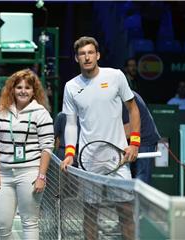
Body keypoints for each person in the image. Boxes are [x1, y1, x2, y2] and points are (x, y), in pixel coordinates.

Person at [61, 36, 141, 240]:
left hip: (118, 157)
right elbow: (71, 123)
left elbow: (133, 109)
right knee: (90, 212)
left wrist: (134, 144)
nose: (86, 57)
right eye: (82, 54)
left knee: (125, 210)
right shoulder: (71, 87)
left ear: (97, 55)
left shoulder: (115, 76)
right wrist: (70, 152)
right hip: (89, 160)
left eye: (90, 52)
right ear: (77, 58)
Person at [0, 69, 54, 239]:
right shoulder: (0, 112)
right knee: (2, 226)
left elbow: (47, 146)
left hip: (30, 174)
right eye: (19, 87)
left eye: (27, 88)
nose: (23, 91)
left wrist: (41, 176)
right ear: (12, 89)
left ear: (34, 91)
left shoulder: (41, 113)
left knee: (29, 222)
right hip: (4, 175)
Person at [123, 90, 161, 184]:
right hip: (131, 141)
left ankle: (140, 198)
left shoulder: (125, 97)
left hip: (145, 140)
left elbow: (129, 128)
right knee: (129, 175)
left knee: (142, 177)